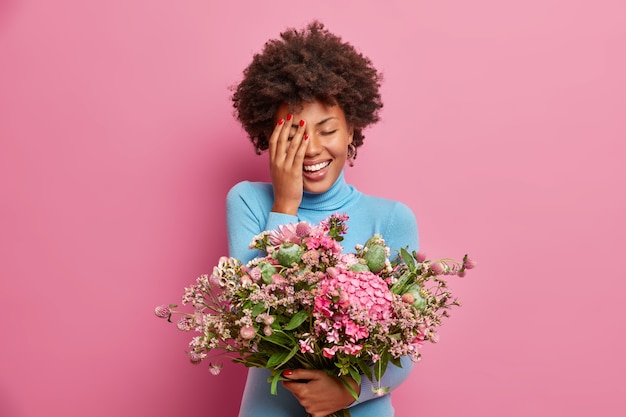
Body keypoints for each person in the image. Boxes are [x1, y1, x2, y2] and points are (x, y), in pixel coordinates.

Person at [226, 21, 419, 417]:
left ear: (352, 130)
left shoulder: (393, 218)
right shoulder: (247, 200)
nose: (311, 148)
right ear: (269, 135)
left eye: (327, 129)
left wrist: (350, 391)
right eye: (293, 134)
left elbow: (407, 349)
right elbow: (253, 319)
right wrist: (285, 202)